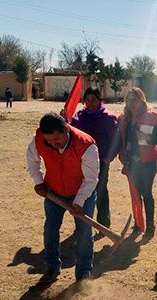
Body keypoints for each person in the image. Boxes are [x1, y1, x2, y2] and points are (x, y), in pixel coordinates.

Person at [26, 112, 99, 283]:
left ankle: (84, 272)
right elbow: (32, 160)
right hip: (54, 192)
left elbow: (91, 179)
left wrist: (79, 201)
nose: (52, 144)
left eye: (56, 140)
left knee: (84, 232)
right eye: (49, 141)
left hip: (83, 193)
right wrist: (39, 182)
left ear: (66, 129)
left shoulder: (86, 145)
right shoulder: (39, 139)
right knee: (50, 229)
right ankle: (51, 267)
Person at [68, 87, 118, 232]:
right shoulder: (78, 117)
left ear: (100, 100)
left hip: (101, 160)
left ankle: (103, 223)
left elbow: (115, 140)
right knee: (82, 191)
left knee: (100, 190)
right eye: (87, 100)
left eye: (94, 100)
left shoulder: (108, 118)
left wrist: (109, 157)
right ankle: (82, 224)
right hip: (80, 161)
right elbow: (71, 134)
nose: (90, 103)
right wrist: (65, 120)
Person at [118, 87, 157, 240]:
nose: (131, 103)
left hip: (148, 162)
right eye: (128, 100)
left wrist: (142, 135)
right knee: (135, 194)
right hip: (131, 163)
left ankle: (150, 225)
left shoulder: (150, 117)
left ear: (141, 101)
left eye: (134, 100)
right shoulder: (124, 119)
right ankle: (138, 223)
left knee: (146, 193)